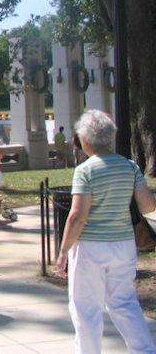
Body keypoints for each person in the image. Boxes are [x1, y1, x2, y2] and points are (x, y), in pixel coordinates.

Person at [56, 110, 156, 354]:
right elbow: (147, 206)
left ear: (85, 140)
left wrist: (63, 251)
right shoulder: (129, 166)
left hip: (90, 246)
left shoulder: (85, 170)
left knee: (85, 308)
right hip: (122, 245)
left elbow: (78, 215)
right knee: (124, 303)